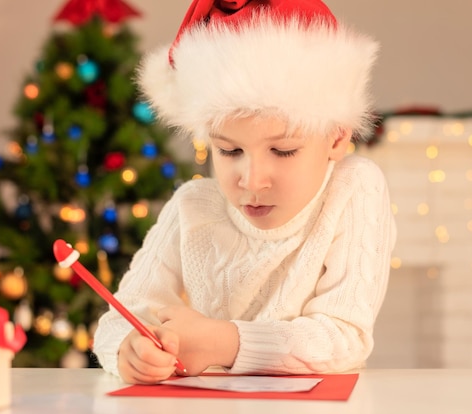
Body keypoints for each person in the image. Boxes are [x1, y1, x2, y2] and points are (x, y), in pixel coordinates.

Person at [93, 0, 397, 385]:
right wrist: (129, 349)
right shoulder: (191, 206)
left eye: (283, 150)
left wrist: (223, 342)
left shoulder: (353, 188)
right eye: (229, 150)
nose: (252, 181)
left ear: (338, 136)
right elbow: (119, 317)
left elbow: (344, 337)